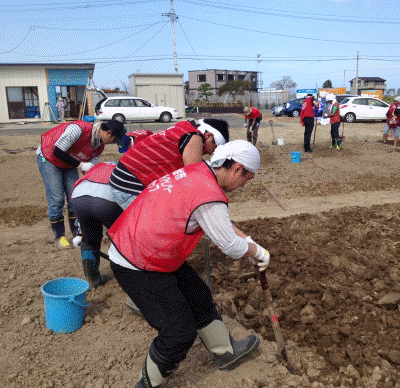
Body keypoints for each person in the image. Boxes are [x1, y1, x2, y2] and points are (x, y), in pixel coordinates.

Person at [106, 140, 269, 387]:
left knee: (199, 297)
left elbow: (220, 223)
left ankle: (226, 352)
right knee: (178, 332)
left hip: (150, 249)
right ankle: (146, 385)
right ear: (237, 168)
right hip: (138, 262)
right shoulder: (209, 195)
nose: (245, 184)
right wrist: (258, 252)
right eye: (248, 178)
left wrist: (251, 241)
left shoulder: (197, 172)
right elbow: (230, 246)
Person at [70, 130, 153, 289]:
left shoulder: (104, 164)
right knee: (125, 240)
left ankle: (92, 279)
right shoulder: (134, 168)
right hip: (106, 200)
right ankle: (136, 281)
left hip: (79, 195)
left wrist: (81, 231)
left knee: (89, 240)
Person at [37, 120, 126, 249]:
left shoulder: (99, 146)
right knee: (57, 198)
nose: (113, 143)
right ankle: (59, 236)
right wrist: (80, 164)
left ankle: (76, 232)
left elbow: (89, 170)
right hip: (49, 156)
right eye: (114, 140)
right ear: (108, 133)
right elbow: (57, 151)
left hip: (68, 161)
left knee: (74, 196)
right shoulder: (78, 130)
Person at [109, 119, 229, 210]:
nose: (212, 152)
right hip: (128, 187)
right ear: (209, 136)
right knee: (163, 224)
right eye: (215, 147)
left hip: (121, 178)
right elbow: (193, 179)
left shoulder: (184, 126)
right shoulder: (195, 137)